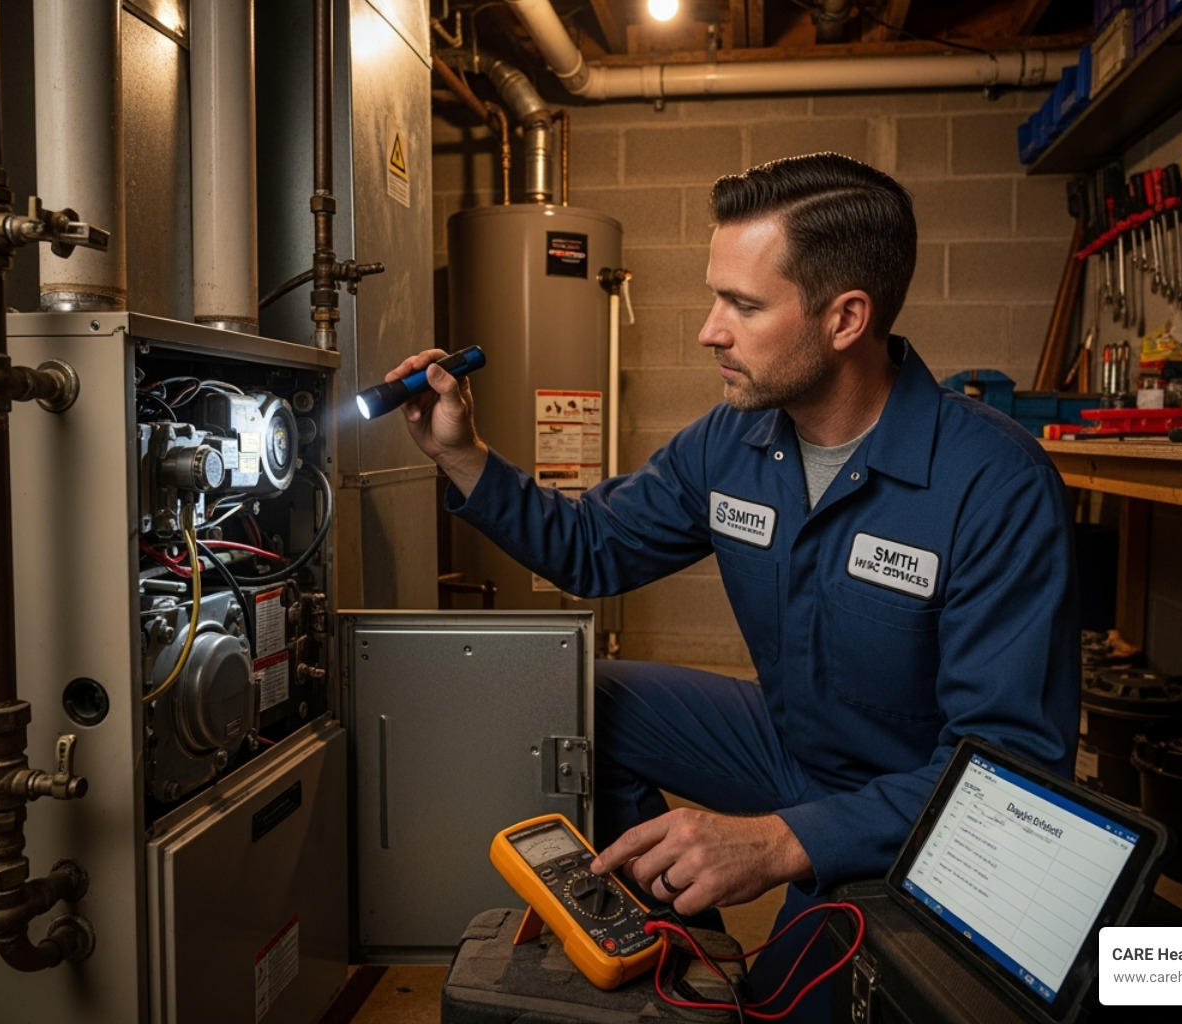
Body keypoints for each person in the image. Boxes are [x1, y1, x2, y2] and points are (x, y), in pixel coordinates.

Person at [392, 152, 1079, 1020]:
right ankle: (676, 943)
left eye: (743, 305)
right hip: (795, 743)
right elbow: (596, 546)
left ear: (845, 318)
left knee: (788, 1007)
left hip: (916, 802)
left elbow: (1007, 776)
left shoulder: (994, 484)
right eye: (717, 297)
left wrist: (783, 842)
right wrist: (462, 455)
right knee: (587, 698)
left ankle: (755, 960)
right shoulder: (736, 442)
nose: (709, 330)